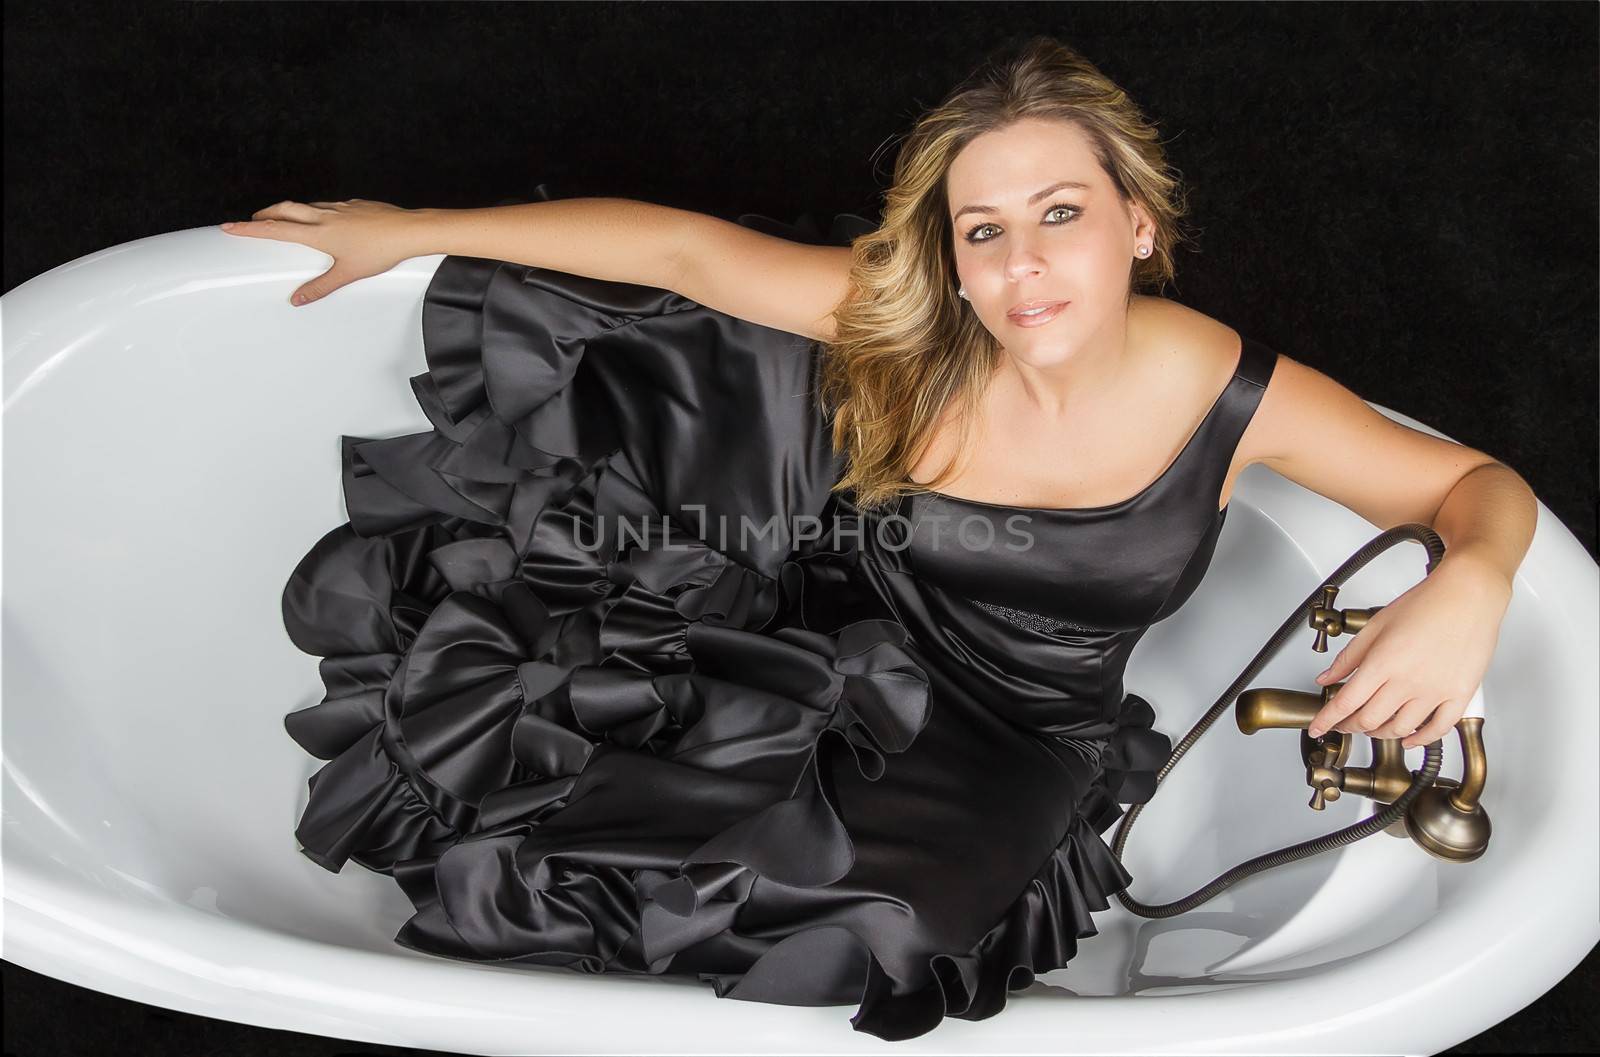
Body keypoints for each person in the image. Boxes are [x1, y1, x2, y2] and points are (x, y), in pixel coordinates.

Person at [223, 36, 1536, 1042]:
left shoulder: (1229, 391)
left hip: (1025, 731)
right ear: (955, 261)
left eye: (1062, 213)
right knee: (586, 819)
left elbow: (1474, 484)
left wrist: (1472, 575)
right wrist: (404, 230)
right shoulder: (915, 335)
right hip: (842, 637)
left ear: (1138, 223)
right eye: (986, 231)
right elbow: (686, 253)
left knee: (888, 928)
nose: (1025, 266)